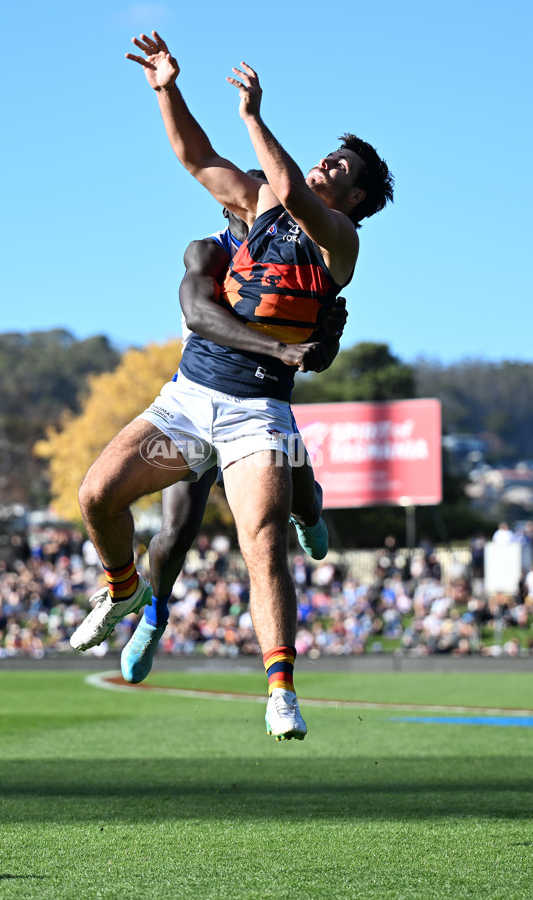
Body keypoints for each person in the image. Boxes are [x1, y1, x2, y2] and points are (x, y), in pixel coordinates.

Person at [71, 32, 393, 741]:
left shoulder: (339, 238)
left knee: (260, 541)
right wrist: (166, 89)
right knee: (97, 494)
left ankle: (280, 691)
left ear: (357, 197)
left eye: (341, 165)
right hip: (190, 399)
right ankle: (127, 591)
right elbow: (195, 158)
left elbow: (302, 201)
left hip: (257, 416)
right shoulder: (253, 210)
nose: (326, 162)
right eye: (329, 154)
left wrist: (253, 115)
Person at [120, 193, 348, 686]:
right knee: (176, 531)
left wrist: (328, 336)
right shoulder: (209, 252)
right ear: (229, 208)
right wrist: (278, 347)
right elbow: (201, 316)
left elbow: (319, 358)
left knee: (298, 490)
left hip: (260, 403)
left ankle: (309, 513)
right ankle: (154, 617)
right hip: (202, 402)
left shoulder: (301, 256)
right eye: (248, 202)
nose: (259, 212)